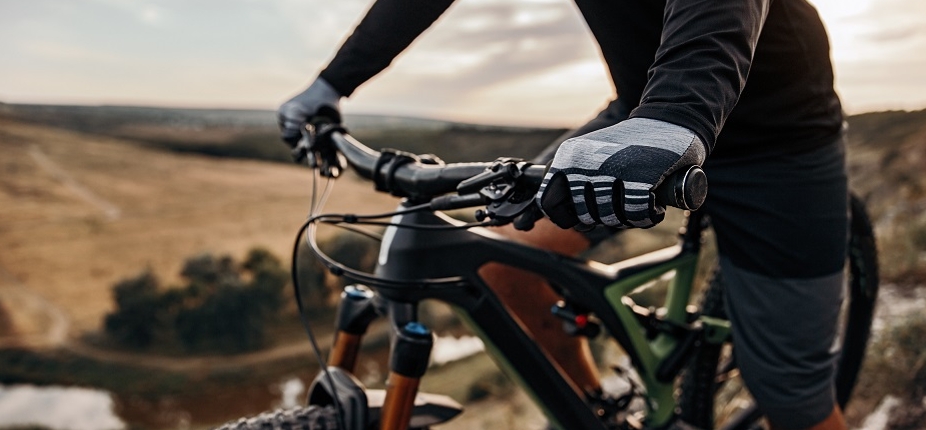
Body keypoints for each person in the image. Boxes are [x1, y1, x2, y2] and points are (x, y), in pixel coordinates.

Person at [278, 1, 850, 429]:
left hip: (776, 136)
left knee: (792, 397)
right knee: (504, 262)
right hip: (642, 114)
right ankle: (605, 407)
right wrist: (332, 84)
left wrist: (677, 115)